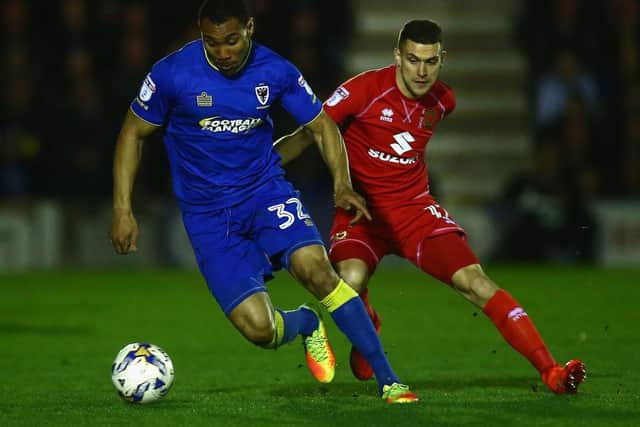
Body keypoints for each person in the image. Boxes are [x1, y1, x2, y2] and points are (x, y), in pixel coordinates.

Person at [109, 0, 418, 404]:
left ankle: (389, 380)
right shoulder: (172, 75)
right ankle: (306, 323)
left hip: (264, 192)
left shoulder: (276, 71)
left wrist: (342, 183)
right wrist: (122, 209)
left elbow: (322, 127)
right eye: (212, 42)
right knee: (259, 330)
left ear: (250, 28)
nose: (223, 52)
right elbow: (133, 133)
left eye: (232, 40)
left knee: (317, 270)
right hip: (209, 217)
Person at [275, 19, 586, 394]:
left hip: (414, 212)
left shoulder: (443, 101)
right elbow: (309, 133)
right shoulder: (363, 91)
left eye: (430, 61)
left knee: (476, 283)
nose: (422, 71)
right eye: (413, 60)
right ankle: (367, 323)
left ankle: (551, 370)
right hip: (362, 215)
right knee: (350, 284)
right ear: (397, 57)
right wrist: (258, 166)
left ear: (441, 60)